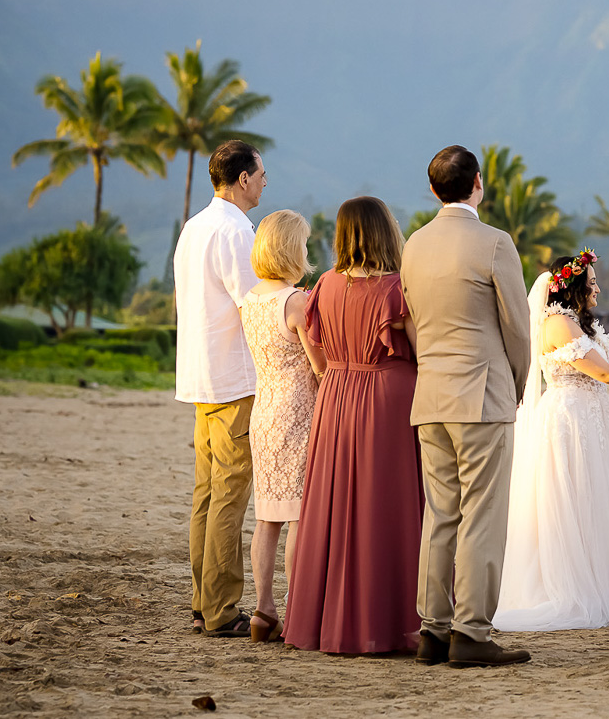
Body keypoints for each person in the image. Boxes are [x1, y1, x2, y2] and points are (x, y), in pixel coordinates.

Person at [496, 253, 609, 630]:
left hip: (592, 419)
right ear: (573, 285)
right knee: (574, 501)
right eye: (591, 280)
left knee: (598, 501)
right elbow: (607, 373)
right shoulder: (558, 326)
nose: (596, 286)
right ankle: (571, 589)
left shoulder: (579, 324)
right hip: (570, 422)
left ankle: (601, 586)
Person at [401, 146, 532, 668]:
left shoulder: (413, 245)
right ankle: (472, 632)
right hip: (482, 395)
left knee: (440, 514)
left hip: (430, 394)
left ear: (433, 190)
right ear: (478, 183)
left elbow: (411, 318)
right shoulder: (494, 243)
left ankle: (432, 628)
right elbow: (518, 327)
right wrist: (518, 384)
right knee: (483, 514)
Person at [284, 197, 423, 655]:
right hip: (388, 400)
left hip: (337, 397)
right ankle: (392, 621)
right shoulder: (397, 289)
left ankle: (328, 621)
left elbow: (319, 360)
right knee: (388, 506)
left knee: (334, 504)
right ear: (387, 231)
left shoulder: (323, 284)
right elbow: (422, 353)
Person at [174, 139, 265, 638]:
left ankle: (201, 600)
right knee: (229, 495)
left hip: (201, 376)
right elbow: (252, 303)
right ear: (243, 178)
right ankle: (222, 609)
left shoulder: (193, 227)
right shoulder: (234, 231)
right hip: (232, 377)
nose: (265, 182)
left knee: (207, 495)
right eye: (261, 173)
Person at [239, 209, 324, 643]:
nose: (307, 251)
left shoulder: (250, 301)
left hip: (264, 409)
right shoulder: (296, 302)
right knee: (297, 516)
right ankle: (294, 610)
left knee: (267, 515)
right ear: (292, 249)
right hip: (297, 412)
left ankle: (262, 609)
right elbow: (319, 365)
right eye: (304, 243)